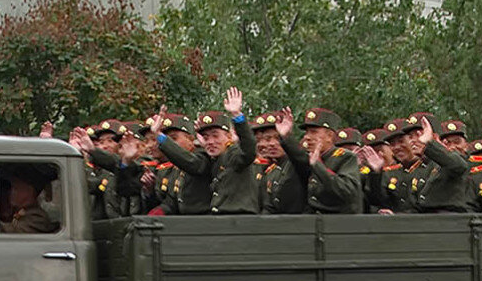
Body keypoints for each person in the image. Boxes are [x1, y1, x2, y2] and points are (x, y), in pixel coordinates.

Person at [149, 87, 259, 215]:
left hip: (240, 222)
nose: (211, 141)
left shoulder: (233, 154)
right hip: (220, 221)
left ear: (229, 136)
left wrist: (237, 117)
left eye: (215, 135)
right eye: (206, 137)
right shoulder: (213, 158)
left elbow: (249, 149)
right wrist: (158, 136)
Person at [275, 106, 363, 214]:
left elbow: (347, 192)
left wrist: (318, 166)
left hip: (339, 224)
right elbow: (298, 156)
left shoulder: (345, 157)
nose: (307, 137)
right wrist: (286, 136)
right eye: (306, 132)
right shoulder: (309, 158)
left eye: (313, 132)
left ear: (329, 136)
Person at [411, 119, 471, 213]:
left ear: (466, 145)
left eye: (457, 142)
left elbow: (458, 165)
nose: (453, 147)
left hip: (451, 218)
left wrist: (429, 143)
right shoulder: (431, 165)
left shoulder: (463, 163)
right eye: (447, 143)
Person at [255, 112, 305, 214]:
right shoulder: (268, 169)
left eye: (278, 138)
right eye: (268, 139)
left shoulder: (296, 163)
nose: (272, 144)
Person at [0, 164, 60, 233]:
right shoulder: (23, 212)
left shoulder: (38, 217)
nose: (12, 192)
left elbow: (15, 231)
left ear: (30, 192)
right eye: (12, 188)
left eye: (16, 188)